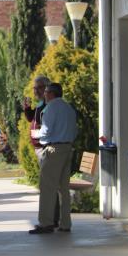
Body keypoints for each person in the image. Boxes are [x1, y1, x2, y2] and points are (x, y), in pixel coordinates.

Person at [29, 83, 77, 234]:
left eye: (46, 92)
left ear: (51, 94)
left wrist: (36, 134)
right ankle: (65, 223)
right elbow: (75, 130)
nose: (44, 94)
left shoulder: (50, 108)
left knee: (47, 187)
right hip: (67, 148)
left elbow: (46, 131)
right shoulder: (68, 108)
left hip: (54, 150)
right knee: (64, 188)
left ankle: (46, 223)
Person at [23, 75, 59, 225]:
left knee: (48, 185)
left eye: (38, 88)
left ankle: (51, 219)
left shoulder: (49, 105)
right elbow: (33, 118)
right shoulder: (40, 103)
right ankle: (51, 219)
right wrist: (27, 109)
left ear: (46, 88)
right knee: (47, 185)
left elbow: (46, 126)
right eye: (34, 88)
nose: (35, 91)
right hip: (40, 148)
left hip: (45, 148)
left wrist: (39, 132)